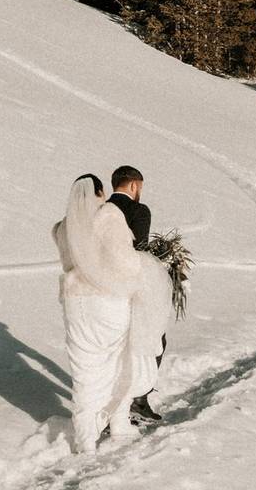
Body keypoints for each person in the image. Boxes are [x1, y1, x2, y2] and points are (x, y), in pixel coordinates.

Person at [52, 174, 171, 453]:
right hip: (107, 302)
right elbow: (126, 263)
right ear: (100, 192)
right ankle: (118, 426)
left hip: (74, 303)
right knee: (118, 363)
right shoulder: (108, 217)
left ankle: (85, 441)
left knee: (84, 369)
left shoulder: (65, 226)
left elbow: (70, 262)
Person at [106, 166, 166, 422]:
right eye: (140, 187)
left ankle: (108, 405)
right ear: (133, 186)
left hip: (100, 288)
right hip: (130, 286)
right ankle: (137, 400)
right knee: (154, 340)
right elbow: (139, 249)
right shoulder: (138, 211)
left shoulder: (100, 209)